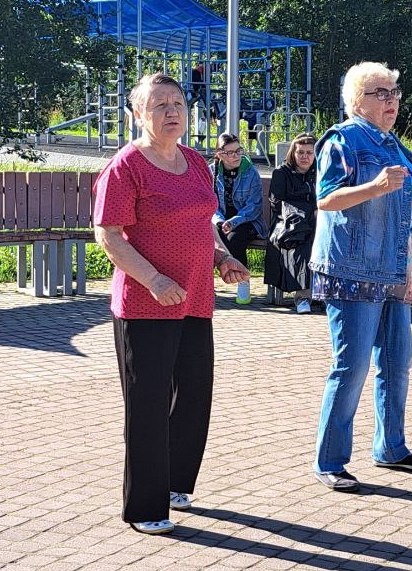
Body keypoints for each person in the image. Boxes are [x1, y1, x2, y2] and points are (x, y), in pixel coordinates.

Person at [93, 73, 249, 534]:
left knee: (193, 396)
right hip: (146, 303)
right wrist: (154, 279)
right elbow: (109, 235)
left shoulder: (195, 162)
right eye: (159, 104)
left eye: (178, 103)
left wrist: (222, 257)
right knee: (148, 403)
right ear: (137, 114)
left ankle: (176, 483)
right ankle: (145, 506)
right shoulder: (125, 166)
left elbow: (205, 222)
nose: (171, 111)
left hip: (195, 297)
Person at [310, 61, 412, 492]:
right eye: (380, 93)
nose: (391, 101)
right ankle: (330, 461)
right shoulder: (342, 139)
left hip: (396, 272)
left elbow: (404, 206)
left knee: (397, 362)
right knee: (352, 367)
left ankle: (391, 447)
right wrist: (374, 187)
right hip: (354, 271)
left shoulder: (396, 145)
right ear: (356, 101)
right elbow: (326, 199)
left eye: (394, 93)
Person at [211, 133, 267, 304]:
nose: (236, 156)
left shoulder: (250, 172)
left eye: (238, 151)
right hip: (219, 219)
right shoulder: (211, 172)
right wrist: (220, 221)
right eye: (230, 152)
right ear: (220, 154)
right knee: (206, 237)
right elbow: (209, 203)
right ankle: (205, 283)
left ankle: (243, 281)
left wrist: (233, 221)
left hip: (247, 221)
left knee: (234, 238)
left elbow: (254, 207)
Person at [264, 132, 318, 314]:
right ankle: (303, 298)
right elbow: (276, 203)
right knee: (303, 242)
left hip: (316, 223)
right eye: (300, 152)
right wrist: (305, 211)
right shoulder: (281, 173)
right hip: (287, 225)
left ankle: (327, 294)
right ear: (293, 153)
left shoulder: (320, 173)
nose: (304, 157)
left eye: (309, 152)